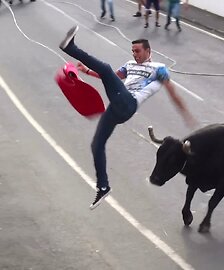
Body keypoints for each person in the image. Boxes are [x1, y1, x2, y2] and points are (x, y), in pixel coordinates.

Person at [59, 25, 196, 209]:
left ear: (148, 51)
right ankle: (103, 187)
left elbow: (172, 92)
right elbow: (110, 77)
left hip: (129, 103)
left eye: (138, 51)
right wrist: (87, 72)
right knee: (97, 144)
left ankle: (71, 48)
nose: (135, 54)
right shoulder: (129, 65)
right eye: (132, 51)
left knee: (106, 68)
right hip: (117, 105)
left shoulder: (159, 69)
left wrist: (185, 113)